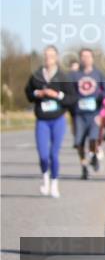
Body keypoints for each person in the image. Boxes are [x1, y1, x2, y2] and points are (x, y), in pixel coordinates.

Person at [25, 46, 76, 197]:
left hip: (58, 120)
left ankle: (54, 183)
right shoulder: (36, 75)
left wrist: (57, 95)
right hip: (42, 120)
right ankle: (45, 179)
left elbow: (72, 98)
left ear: (56, 58)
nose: (48, 58)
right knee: (43, 155)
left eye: (51, 56)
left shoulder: (62, 76)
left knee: (54, 154)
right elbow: (28, 93)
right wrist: (38, 93)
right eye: (46, 56)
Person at [70, 48, 105, 180]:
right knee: (79, 142)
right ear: (80, 59)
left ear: (92, 58)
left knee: (93, 138)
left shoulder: (98, 74)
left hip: (94, 114)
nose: (86, 59)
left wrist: (101, 112)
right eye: (83, 56)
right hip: (79, 115)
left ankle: (93, 155)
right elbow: (70, 93)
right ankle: (84, 165)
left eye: (88, 56)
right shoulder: (74, 75)